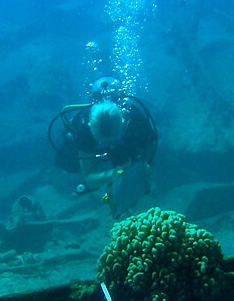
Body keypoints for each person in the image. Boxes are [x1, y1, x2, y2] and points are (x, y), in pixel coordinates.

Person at [48, 77, 158, 217]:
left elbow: (150, 150)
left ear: (124, 122)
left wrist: (147, 172)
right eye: (104, 141)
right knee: (67, 164)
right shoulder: (84, 129)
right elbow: (88, 176)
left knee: (133, 156)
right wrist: (109, 175)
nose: (111, 145)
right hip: (92, 147)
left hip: (127, 143)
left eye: (113, 140)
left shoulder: (136, 119)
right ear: (91, 128)